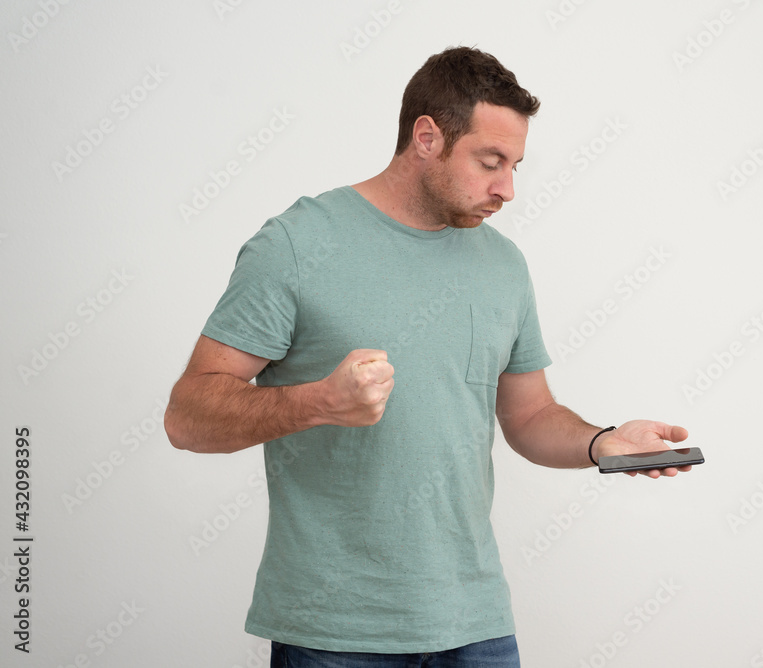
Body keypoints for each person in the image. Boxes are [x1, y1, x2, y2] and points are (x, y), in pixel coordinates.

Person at [164, 45, 692, 668]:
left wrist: (602, 442)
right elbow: (188, 416)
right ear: (426, 137)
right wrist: (317, 402)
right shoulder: (297, 244)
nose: (509, 189)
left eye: (516, 165)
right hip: (335, 631)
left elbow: (528, 416)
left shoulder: (503, 266)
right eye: (491, 161)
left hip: (475, 623)